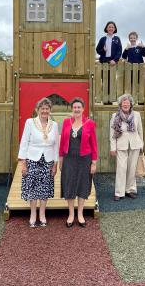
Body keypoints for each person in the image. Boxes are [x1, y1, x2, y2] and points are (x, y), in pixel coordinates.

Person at [18, 98, 59, 227]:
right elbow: (24, 142)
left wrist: (55, 164)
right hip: (32, 159)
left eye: (47, 109)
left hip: (48, 160)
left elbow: (56, 145)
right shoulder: (30, 122)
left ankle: (42, 214)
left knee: (45, 187)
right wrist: (23, 162)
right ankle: (33, 215)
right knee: (32, 187)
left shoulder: (54, 125)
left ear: (50, 110)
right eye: (42, 108)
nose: (45, 111)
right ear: (37, 110)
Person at [59, 97, 98, 227]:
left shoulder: (90, 123)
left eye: (79, 107)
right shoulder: (65, 122)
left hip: (84, 159)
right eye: (74, 107)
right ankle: (71, 214)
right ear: (72, 109)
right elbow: (62, 142)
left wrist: (94, 162)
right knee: (69, 184)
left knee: (82, 185)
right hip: (69, 158)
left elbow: (94, 144)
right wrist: (60, 159)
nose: (76, 109)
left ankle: (80, 214)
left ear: (83, 109)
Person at [110, 94, 144, 201]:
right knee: (121, 168)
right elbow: (112, 133)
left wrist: (141, 144)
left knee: (132, 168)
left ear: (130, 104)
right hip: (121, 145)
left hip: (135, 145)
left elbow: (140, 131)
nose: (126, 104)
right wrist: (112, 148)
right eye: (124, 103)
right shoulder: (115, 116)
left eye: (127, 103)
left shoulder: (137, 115)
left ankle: (130, 189)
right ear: (120, 104)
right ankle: (119, 192)